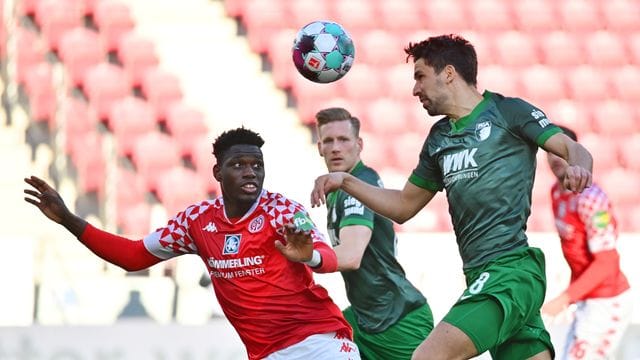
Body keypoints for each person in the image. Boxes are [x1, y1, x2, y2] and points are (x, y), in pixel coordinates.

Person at [310, 34, 594, 360]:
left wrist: (580, 168)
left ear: (448, 73)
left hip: (511, 272)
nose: (415, 89)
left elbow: (575, 149)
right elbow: (403, 206)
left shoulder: (508, 112)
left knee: (428, 357)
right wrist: (346, 181)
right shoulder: (438, 139)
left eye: (420, 77)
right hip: (480, 275)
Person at [25, 127, 361, 360]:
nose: (250, 173)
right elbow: (133, 256)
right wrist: (69, 219)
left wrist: (311, 257)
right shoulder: (197, 222)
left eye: (257, 166)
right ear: (217, 172)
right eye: (239, 165)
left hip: (319, 343)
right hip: (267, 353)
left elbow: (328, 256)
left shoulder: (282, 211)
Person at [312, 107, 433, 359]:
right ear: (319, 147)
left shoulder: (359, 184)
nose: (336, 147)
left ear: (359, 145)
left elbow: (351, 256)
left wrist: (304, 256)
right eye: (329, 141)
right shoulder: (338, 188)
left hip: (397, 321)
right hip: (365, 318)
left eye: (343, 140)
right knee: (305, 340)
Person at [542, 125, 633, 360]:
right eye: (549, 151)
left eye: (561, 150)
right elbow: (575, 253)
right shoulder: (556, 192)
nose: (555, 158)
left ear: (574, 152)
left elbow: (607, 262)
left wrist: (565, 298)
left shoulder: (591, 198)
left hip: (607, 300)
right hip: (587, 300)